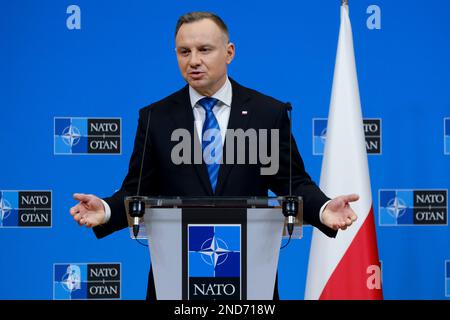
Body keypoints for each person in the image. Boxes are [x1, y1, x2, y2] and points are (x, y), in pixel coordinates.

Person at [69, 11, 358, 299]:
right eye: (184, 51)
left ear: (229, 52)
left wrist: (323, 208)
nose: (193, 60)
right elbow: (137, 190)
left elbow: (292, 183)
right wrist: (106, 209)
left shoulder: (267, 113)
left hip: (248, 280)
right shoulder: (155, 117)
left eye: (204, 50)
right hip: (176, 280)